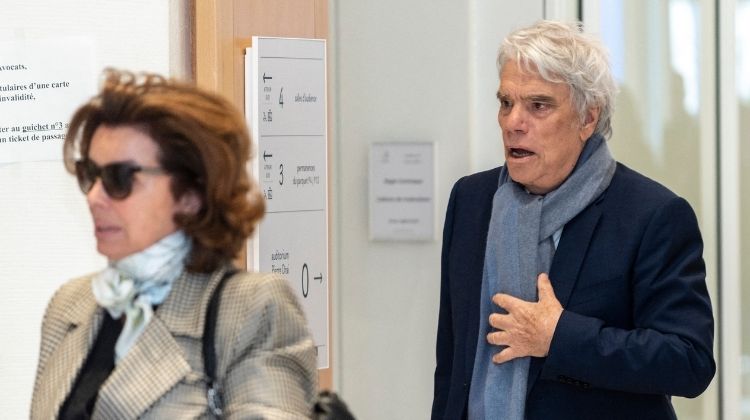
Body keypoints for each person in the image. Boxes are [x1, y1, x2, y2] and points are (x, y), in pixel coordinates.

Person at [431, 21, 715, 420]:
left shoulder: (651, 215)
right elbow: (452, 361)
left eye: (538, 106)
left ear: (587, 118)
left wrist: (559, 335)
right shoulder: (472, 200)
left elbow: (688, 361)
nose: (513, 122)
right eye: (506, 102)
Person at [30, 70, 318, 419]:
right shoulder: (70, 306)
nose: (94, 197)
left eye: (119, 178)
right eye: (91, 175)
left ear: (191, 193)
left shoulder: (250, 308)